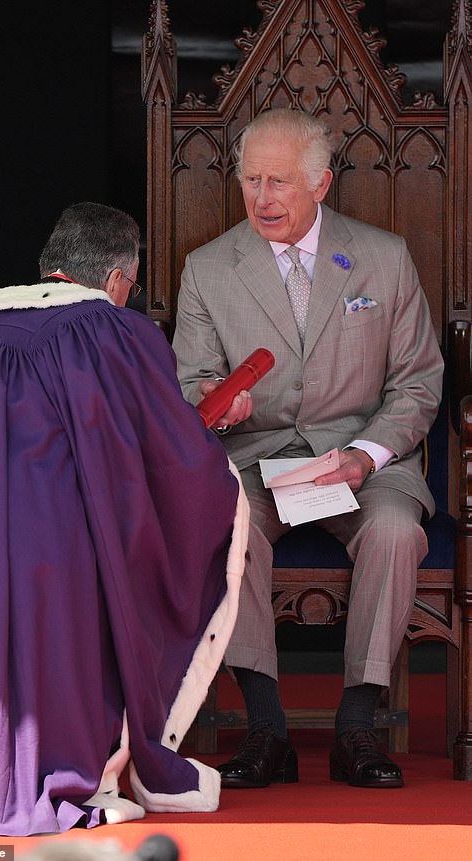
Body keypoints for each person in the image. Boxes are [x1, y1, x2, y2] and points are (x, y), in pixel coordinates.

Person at [0, 201, 249, 835]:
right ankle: (54, 769)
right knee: (86, 590)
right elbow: (163, 454)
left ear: (48, 266)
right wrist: (213, 451)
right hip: (57, 539)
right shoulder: (114, 330)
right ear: (120, 279)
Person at [172, 107, 443, 789]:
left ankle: (358, 727)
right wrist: (218, 405)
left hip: (358, 460)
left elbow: (419, 381)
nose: (262, 197)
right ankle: (267, 728)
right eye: (251, 180)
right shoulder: (208, 268)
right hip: (257, 461)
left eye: (280, 182)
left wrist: (365, 455)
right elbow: (190, 385)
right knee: (225, 526)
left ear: (320, 184)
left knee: (392, 529)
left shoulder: (383, 257)